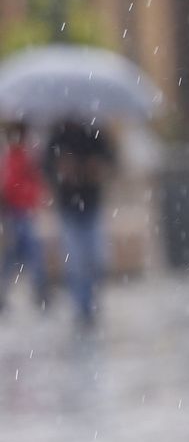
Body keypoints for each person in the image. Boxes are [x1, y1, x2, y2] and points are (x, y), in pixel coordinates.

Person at [43, 119, 116, 329]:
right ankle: (82, 306)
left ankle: (91, 302)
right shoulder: (57, 136)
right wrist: (61, 171)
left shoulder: (95, 134)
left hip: (91, 204)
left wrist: (97, 166)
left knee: (96, 258)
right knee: (75, 260)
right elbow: (46, 167)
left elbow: (111, 160)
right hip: (68, 207)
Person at [1, 121, 50, 313]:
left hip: (23, 210)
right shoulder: (14, 156)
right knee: (27, 254)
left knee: (17, 255)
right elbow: (11, 184)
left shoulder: (25, 155)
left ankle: (37, 291)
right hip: (17, 211)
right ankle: (39, 291)